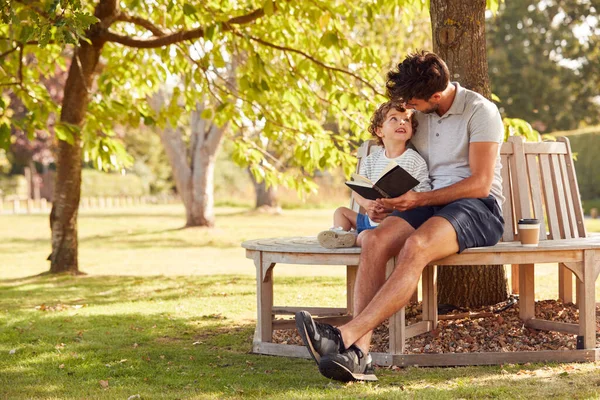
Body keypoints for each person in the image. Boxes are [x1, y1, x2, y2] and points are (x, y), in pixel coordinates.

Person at [295, 51, 505, 382]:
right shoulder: (420, 114)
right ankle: (359, 357)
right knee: (375, 240)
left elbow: (479, 184)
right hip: (425, 203)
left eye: (414, 104)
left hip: (476, 208)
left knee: (416, 246)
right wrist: (382, 203)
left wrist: (419, 198)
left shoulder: (481, 112)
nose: (409, 110)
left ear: (435, 96)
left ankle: (344, 336)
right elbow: (398, 159)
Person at [317, 100, 431, 249]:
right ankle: (339, 234)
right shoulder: (372, 160)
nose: (402, 123)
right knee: (341, 212)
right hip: (369, 219)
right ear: (379, 131)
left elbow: (424, 194)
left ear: (411, 130)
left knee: (366, 237)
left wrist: (396, 204)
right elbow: (358, 189)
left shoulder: (414, 159)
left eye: (406, 120)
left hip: (396, 223)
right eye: (394, 119)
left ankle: (353, 238)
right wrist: (367, 204)